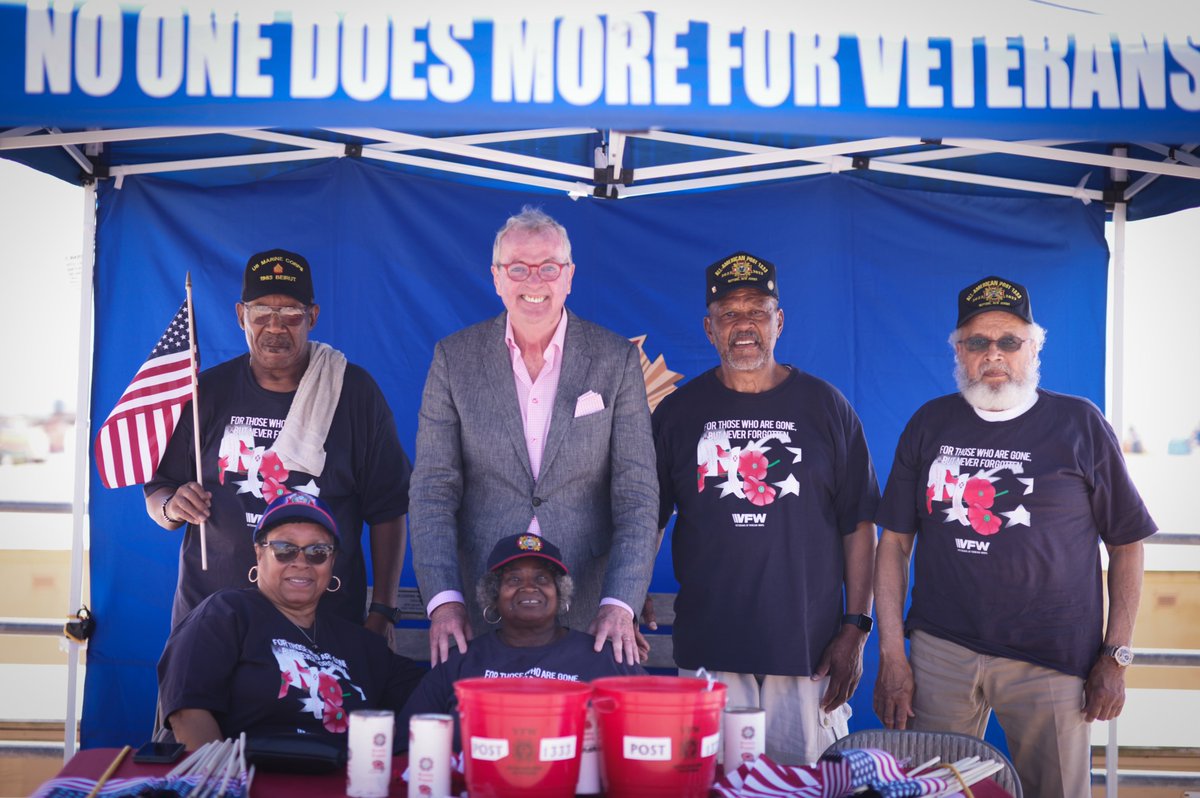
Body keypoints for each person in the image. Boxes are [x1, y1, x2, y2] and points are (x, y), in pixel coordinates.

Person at [873, 275, 1157, 798]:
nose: (993, 355)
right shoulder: (930, 422)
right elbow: (892, 543)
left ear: (1034, 347)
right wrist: (892, 653)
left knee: (1056, 790)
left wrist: (1115, 656)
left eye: (1010, 341)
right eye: (977, 342)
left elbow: (1126, 543)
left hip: (1050, 653)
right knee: (932, 788)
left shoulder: (1080, 424)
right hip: (942, 648)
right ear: (958, 351)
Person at [651, 251, 880, 765]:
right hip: (710, 645)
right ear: (709, 328)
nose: (744, 324)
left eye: (757, 310)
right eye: (729, 313)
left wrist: (856, 628)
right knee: (713, 781)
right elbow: (648, 515)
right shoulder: (678, 413)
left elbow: (859, 524)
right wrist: (632, 587)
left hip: (806, 651)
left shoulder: (827, 407)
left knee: (803, 781)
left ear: (780, 321)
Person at [408, 207, 659, 667]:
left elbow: (638, 495)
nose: (534, 281)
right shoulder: (454, 358)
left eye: (548, 268)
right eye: (518, 268)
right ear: (497, 277)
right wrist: (445, 601)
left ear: (569, 276)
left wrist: (620, 603)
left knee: (586, 737)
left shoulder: (615, 359)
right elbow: (432, 491)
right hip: (480, 607)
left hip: (590, 609)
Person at [144, 249, 411, 636]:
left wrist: (383, 611)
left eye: (290, 314)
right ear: (241, 316)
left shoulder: (352, 392)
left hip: (324, 621)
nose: (275, 326)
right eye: (261, 313)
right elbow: (158, 492)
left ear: (312, 318)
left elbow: (389, 508)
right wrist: (172, 507)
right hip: (211, 617)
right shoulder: (207, 392)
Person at [158, 493, 424, 749]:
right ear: (259, 554)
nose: (301, 562)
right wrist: (222, 785)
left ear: (332, 562)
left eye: (317, 551)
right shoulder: (226, 613)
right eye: (284, 549)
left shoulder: (361, 644)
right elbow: (188, 713)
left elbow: (439, 695)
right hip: (243, 779)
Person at [399, 533, 645, 747]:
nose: (528, 588)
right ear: (493, 595)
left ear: (561, 594)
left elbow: (653, 727)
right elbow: (408, 742)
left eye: (542, 579)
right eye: (514, 580)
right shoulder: (460, 661)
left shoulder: (604, 658)